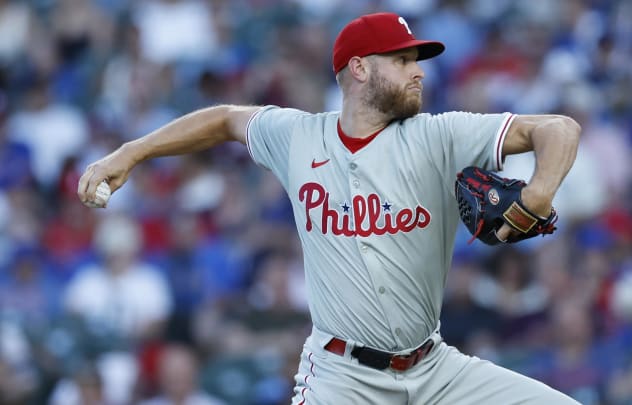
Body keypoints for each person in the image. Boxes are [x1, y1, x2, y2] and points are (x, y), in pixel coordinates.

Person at [78, 12, 581, 404]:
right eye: (402, 60)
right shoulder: (298, 136)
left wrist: (537, 194)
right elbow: (225, 119)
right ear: (359, 68)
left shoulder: (439, 135)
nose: (418, 72)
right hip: (342, 379)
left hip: (436, 370)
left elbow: (557, 128)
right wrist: (132, 151)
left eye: (417, 60)